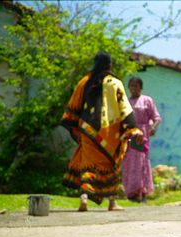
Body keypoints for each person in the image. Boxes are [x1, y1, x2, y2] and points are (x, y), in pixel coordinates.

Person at [61, 51, 143, 211]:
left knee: (88, 165)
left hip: (88, 131)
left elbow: (73, 105)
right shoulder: (115, 83)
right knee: (112, 165)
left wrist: (75, 125)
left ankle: (84, 197)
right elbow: (124, 107)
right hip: (110, 134)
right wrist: (133, 128)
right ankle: (112, 203)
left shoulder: (84, 81)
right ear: (109, 65)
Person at [122, 76, 161, 202]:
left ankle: (142, 191)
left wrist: (153, 128)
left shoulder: (147, 100)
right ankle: (131, 192)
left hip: (141, 136)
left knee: (141, 162)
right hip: (130, 134)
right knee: (129, 162)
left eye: (136, 85)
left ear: (141, 87)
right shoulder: (126, 102)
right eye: (132, 86)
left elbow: (156, 118)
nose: (134, 88)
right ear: (129, 88)